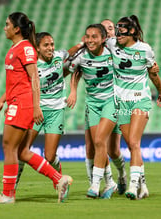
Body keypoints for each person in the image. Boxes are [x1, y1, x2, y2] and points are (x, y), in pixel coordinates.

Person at [0, 12, 72, 204]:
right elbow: (16, 81)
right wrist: (3, 101)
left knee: (10, 147)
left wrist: (35, 107)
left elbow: (34, 78)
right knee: (21, 151)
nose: (4, 27)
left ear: (17, 28)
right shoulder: (15, 48)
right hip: (17, 101)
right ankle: (59, 179)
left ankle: (8, 195)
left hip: (23, 104)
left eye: (7, 24)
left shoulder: (25, 48)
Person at [15, 32, 84, 187]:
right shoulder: (31, 65)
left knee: (50, 155)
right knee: (22, 150)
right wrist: (7, 102)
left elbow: (71, 51)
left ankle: (59, 179)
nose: (51, 48)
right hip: (36, 110)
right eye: (46, 45)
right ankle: (13, 184)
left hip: (56, 111)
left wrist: (82, 43)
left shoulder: (59, 57)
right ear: (37, 48)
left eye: (52, 44)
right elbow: (20, 86)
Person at [112, 15, 161, 200]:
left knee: (134, 142)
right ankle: (143, 185)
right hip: (121, 102)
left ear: (132, 31)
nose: (118, 33)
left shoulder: (145, 50)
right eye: (116, 29)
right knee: (131, 145)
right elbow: (92, 43)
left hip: (140, 100)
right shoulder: (112, 45)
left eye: (122, 30)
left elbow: (153, 74)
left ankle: (133, 187)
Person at [68, 24, 120, 199]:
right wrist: (73, 90)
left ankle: (95, 185)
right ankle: (110, 182)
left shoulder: (112, 52)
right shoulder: (82, 56)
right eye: (87, 36)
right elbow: (69, 68)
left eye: (94, 37)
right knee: (95, 145)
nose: (90, 40)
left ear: (103, 39)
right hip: (92, 103)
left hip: (111, 101)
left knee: (99, 140)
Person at [100, 19, 128, 195]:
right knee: (99, 143)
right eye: (104, 29)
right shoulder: (96, 52)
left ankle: (122, 174)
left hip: (120, 102)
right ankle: (108, 182)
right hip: (102, 103)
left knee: (113, 149)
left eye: (111, 28)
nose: (108, 31)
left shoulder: (121, 49)